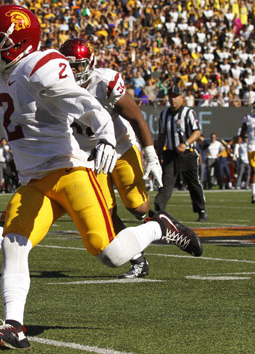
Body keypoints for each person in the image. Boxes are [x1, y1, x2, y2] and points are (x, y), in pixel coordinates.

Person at [0, 5, 202, 350]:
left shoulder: (39, 65)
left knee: (110, 254)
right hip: (34, 181)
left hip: (70, 170)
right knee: (14, 244)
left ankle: (162, 227)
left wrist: (104, 136)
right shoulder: (7, 72)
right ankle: (14, 327)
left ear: (17, 42)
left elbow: (84, 101)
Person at [59, 37, 163, 279]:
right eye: (68, 65)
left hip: (120, 146)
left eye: (78, 65)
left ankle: (162, 226)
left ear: (90, 64)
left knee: (139, 207)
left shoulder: (104, 82)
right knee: (105, 213)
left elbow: (136, 117)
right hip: (92, 156)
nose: (72, 71)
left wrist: (151, 156)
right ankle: (138, 260)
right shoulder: (55, 86)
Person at [154, 86, 207, 221]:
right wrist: (158, 153)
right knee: (166, 182)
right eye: (171, 96)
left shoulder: (189, 113)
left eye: (175, 96)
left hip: (187, 153)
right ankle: (159, 210)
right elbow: (161, 135)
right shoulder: (164, 114)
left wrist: (186, 143)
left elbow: (197, 132)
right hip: (170, 153)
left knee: (193, 182)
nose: (172, 99)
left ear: (182, 98)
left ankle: (201, 210)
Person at [239, 100, 255, 203]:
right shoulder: (248, 118)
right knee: (254, 170)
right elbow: (242, 132)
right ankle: (254, 195)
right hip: (252, 146)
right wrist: (245, 136)